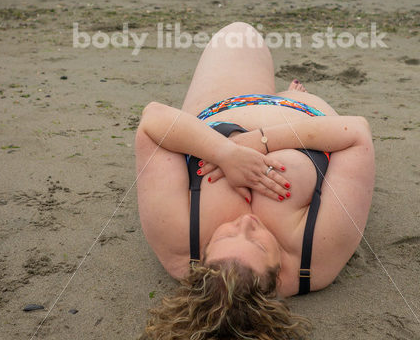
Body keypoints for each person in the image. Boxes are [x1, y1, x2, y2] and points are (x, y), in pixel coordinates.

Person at [135, 22, 375, 340]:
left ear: (202, 260)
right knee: (292, 93)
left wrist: (226, 151)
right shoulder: (317, 255)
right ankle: (287, 94)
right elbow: (356, 134)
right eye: (259, 242)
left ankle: (270, 95)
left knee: (239, 32)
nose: (246, 222)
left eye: (225, 236)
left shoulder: (180, 244)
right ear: (277, 283)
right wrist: (259, 140)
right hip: (302, 112)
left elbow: (153, 121)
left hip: (222, 104)